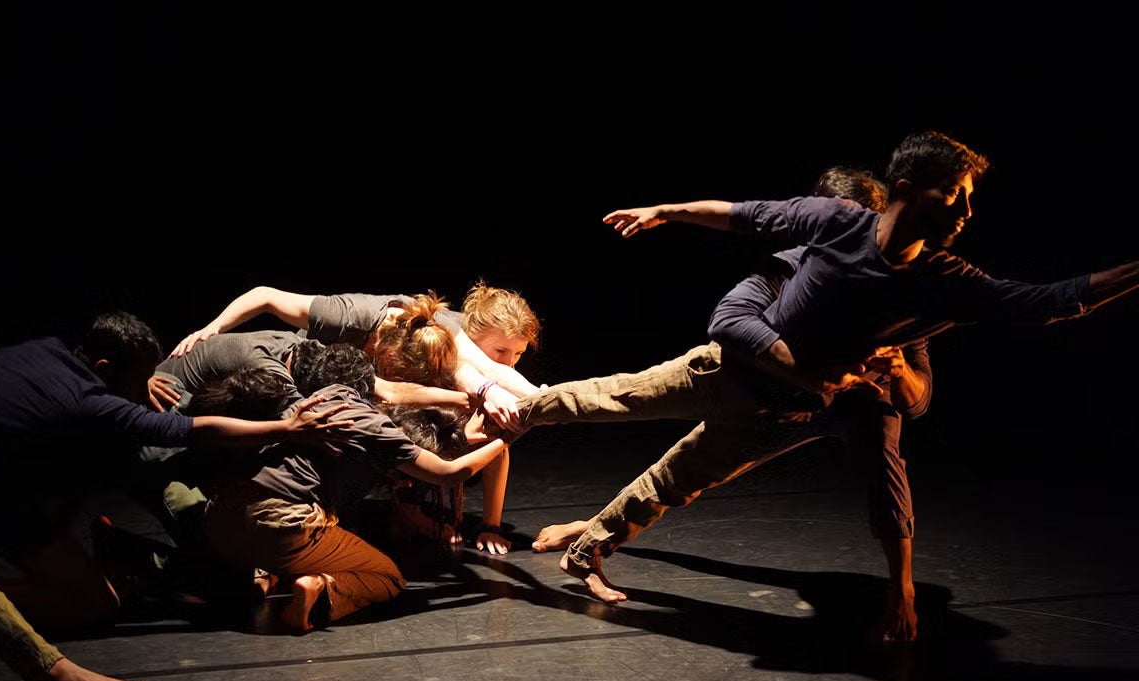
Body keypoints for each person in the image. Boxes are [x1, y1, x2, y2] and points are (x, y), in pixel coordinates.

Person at [518, 130, 1139, 642]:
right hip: (725, 371)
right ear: (904, 191)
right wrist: (665, 211)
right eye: (953, 194)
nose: (966, 212)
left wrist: (887, 377)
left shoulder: (942, 283)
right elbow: (743, 223)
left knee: (670, 483)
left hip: (773, 418)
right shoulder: (827, 227)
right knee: (604, 397)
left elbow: (1046, 302)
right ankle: (506, 409)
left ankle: (586, 548)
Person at [0, 310, 354, 681]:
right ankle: (48, 674)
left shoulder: (51, 351)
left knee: (94, 604)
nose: (147, 391)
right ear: (103, 370)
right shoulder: (86, 401)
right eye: (139, 380)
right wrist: (286, 429)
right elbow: (190, 429)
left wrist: (136, 387)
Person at [167, 280, 543, 554]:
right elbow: (265, 296)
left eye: (517, 355)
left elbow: (470, 385)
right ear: (390, 357)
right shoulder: (351, 320)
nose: (505, 363)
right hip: (302, 386)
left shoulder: (441, 343)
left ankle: (403, 511)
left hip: (353, 390)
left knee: (435, 436)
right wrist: (212, 327)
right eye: (500, 352)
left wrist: (507, 401)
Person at [180, 343, 517, 633]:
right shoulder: (369, 422)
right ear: (367, 385)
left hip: (219, 519)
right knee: (387, 577)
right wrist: (508, 436)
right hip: (280, 523)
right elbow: (449, 473)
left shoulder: (303, 405)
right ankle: (319, 590)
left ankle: (260, 576)